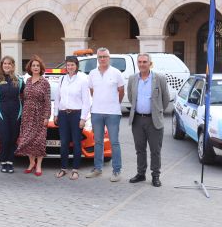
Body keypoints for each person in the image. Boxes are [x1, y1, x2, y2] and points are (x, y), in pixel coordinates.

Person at [127, 53, 170, 187]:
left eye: (144, 62)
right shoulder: (133, 79)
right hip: (138, 120)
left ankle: (155, 175)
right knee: (140, 149)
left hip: (154, 120)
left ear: (150, 63)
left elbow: (166, 99)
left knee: (155, 150)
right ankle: (141, 174)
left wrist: (157, 111)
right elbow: (130, 96)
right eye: (139, 62)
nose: (142, 64)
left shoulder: (159, 78)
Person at [86, 48, 125, 182]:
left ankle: (116, 171)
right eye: (100, 57)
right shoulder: (92, 73)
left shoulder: (116, 73)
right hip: (96, 112)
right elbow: (92, 91)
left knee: (114, 142)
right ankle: (98, 169)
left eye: (105, 57)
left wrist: (114, 103)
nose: (102, 59)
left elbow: (121, 91)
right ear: (97, 58)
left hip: (113, 113)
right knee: (98, 142)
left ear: (109, 58)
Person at [53, 56, 91, 180]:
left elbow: (86, 101)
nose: (70, 67)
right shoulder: (62, 79)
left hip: (76, 114)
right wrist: (56, 114)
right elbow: (57, 98)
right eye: (68, 65)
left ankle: (75, 169)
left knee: (76, 142)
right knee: (63, 142)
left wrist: (83, 118)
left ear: (76, 66)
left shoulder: (82, 80)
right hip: (63, 114)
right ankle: (63, 168)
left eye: (72, 65)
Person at [16, 55, 51, 177]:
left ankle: (39, 165)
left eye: (37, 65)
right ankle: (31, 163)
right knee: (27, 140)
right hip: (27, 115)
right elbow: (23, 97)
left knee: (39, 141)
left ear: (40, 68)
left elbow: (47, 101)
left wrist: (46, 117)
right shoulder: (27, 81)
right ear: (30, 68)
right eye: (33, 65)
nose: (35, 67)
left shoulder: (45, 82)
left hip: (40, 115)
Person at [0, 56, 24, 174]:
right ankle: (3, 161)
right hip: (1, 112)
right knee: (4, 138)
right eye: (5, 63)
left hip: (16, 112)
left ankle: (10, 162)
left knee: (13, 138)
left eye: (9, 63)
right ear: (2, 65)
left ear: (13, 65)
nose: (7, 65)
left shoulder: (19, 80)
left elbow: (23, 96)